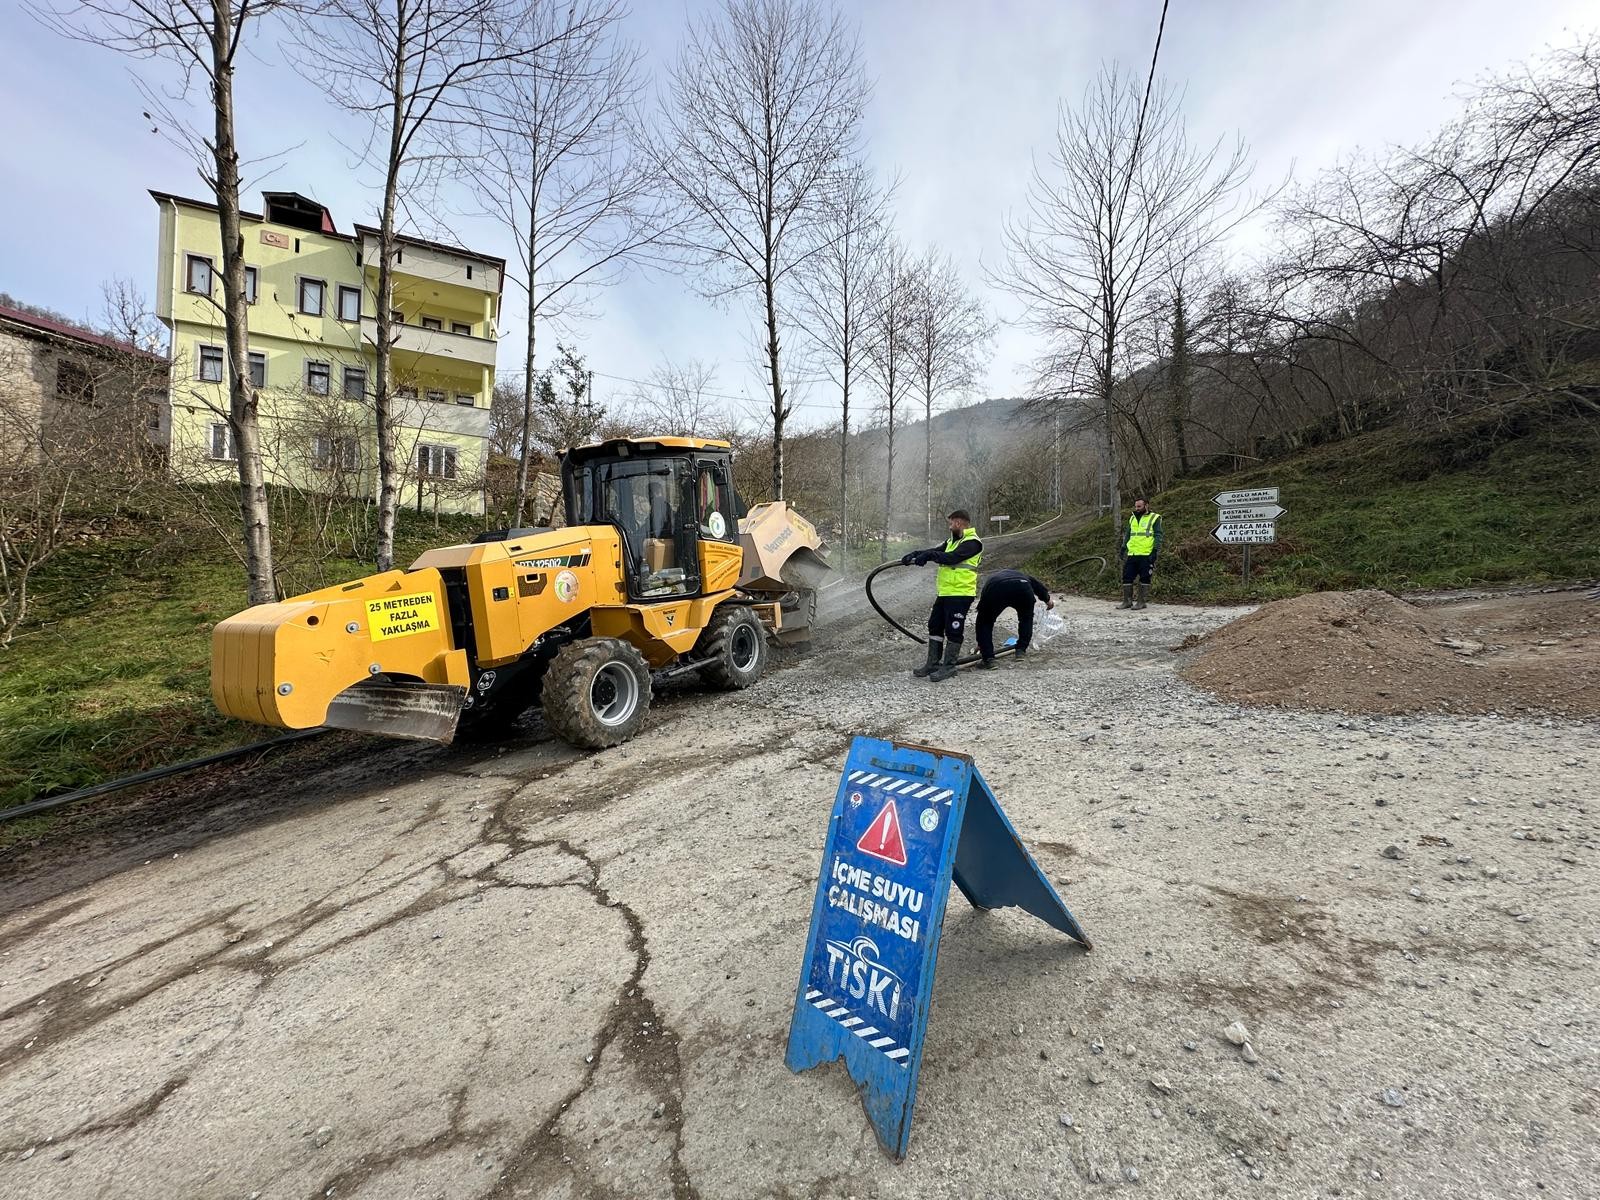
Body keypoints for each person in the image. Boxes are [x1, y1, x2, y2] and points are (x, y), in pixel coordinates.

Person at [901, 510, 983, 682]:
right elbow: (935, 551)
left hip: (961, 593)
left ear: (959, 523)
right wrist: (916, 554)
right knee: (935, 624)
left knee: (953, 628)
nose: (950, 526)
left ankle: (950, 666)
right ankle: (933, 663)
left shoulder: (973, 543)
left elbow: (951, 558)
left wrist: (930, 556)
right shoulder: (952, 541)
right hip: (946, 592)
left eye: (951, 523)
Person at [974, 569, 1054, 667]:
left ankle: (989, 659)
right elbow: (1038, 587)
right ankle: (1021, 651)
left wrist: (981, 642)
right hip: (1023, 588)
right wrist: (1048, 600)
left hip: (998, 588)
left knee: (985, 622)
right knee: (1026, 619)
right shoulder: (1022, 575)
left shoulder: (992, 579)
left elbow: (983, 609)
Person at [1119, 498, 1163, 611]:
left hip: (1146, 554)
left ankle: (1141, 602)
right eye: (1136, 506)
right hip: (1132, 553)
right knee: (1127, 577)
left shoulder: (1154, 518)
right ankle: (1127, 601)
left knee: (1144, 578)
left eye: (1139, 506)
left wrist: (1155, 550)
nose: (1137, 509)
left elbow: (1158, 535)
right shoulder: (1132, 518)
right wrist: (1123, 548)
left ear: (1146, 505)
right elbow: (1128, 534)